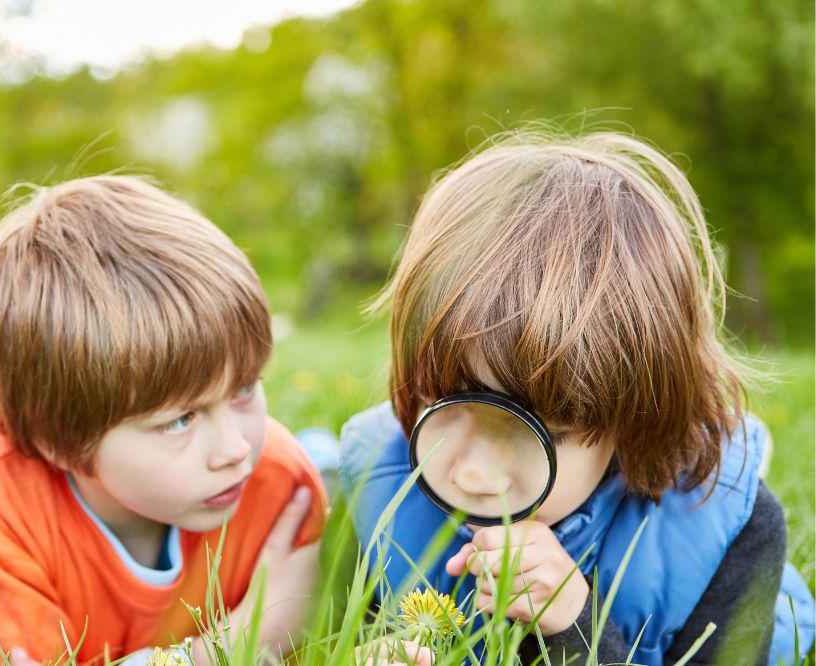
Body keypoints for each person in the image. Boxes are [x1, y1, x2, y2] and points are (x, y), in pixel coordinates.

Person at [339, 130, 815, 664]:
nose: (470, 473)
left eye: (536, 433)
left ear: (636, 423)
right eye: (442, 400)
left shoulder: (735, 538)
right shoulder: (372, 483)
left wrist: (575, 626)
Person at [0, 173, 328, 664]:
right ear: (60, 442)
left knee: (323, 456)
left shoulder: (283, 485)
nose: (236, 449)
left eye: (244, 388)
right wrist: (244, 636)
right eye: (180, 420)